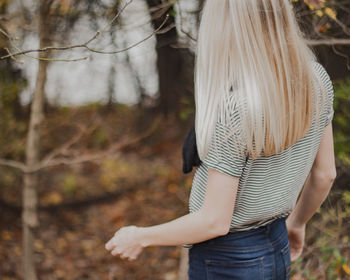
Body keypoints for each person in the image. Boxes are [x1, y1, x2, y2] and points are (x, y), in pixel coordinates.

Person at [105, 0, 336, 279]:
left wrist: (140, 236)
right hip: (276, 245)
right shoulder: (317, 79)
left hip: (228, 261)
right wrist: (297, 223)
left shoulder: (237, 109)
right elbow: (325, 175)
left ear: (225, 25)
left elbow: (214, 221)